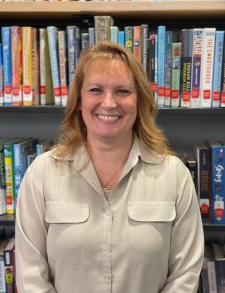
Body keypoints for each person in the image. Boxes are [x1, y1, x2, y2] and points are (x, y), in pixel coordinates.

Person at [15, 41, 204, 293]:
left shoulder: (174, 175)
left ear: (139, 101)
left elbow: (186, 273)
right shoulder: (41, 174)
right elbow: (31, 278)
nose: (109, 103)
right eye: (95, 89)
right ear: (79, 101)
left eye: (123, 91)